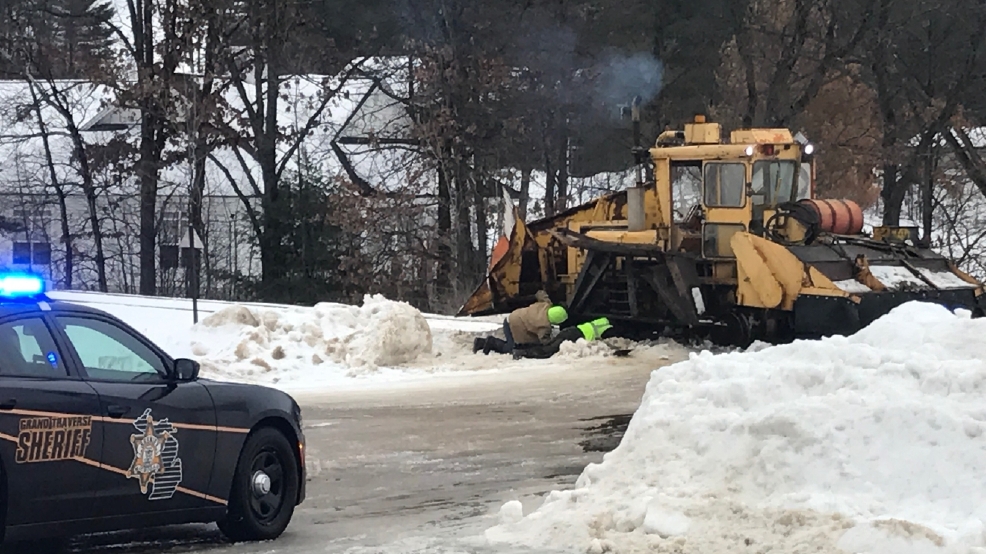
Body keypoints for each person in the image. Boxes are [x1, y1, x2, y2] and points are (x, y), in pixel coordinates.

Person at [473, 290, 569, 355]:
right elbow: (545, 342)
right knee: (510, 348)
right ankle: (490, 342)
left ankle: (482, 343)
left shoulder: (546, 305)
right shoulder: (543, 327)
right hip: (513, 325)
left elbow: (541, 293)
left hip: (513, 316)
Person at [512, 316, 614, 359]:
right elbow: (606, 341)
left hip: (572, 330)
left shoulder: (603, 320)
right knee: (548, 351)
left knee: (548, 345)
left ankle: (522, 347)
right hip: (575, 335)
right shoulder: (608, 329)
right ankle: (522, 352)